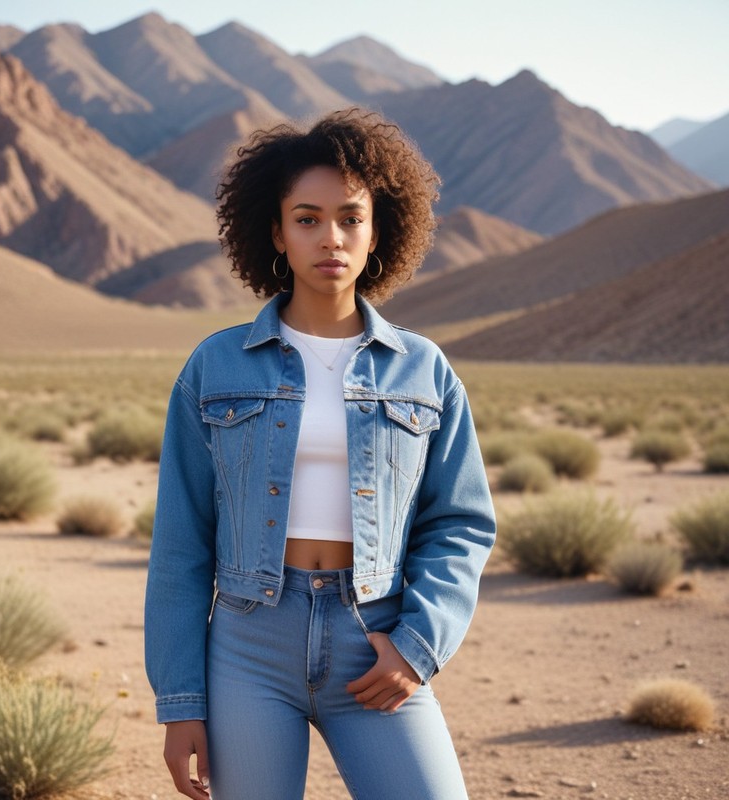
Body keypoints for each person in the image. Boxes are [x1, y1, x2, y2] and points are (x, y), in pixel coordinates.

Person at [144, 108, 496, 800]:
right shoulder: (216, 367)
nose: (329, 237)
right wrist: (181, 701)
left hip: (376, 638)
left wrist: (418, 646)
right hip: (248, 648)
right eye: (307, 218)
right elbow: (180, 545)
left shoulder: (423, 370)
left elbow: (460, 524)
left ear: (377, 231)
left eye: (349, 218)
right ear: (275, 231)